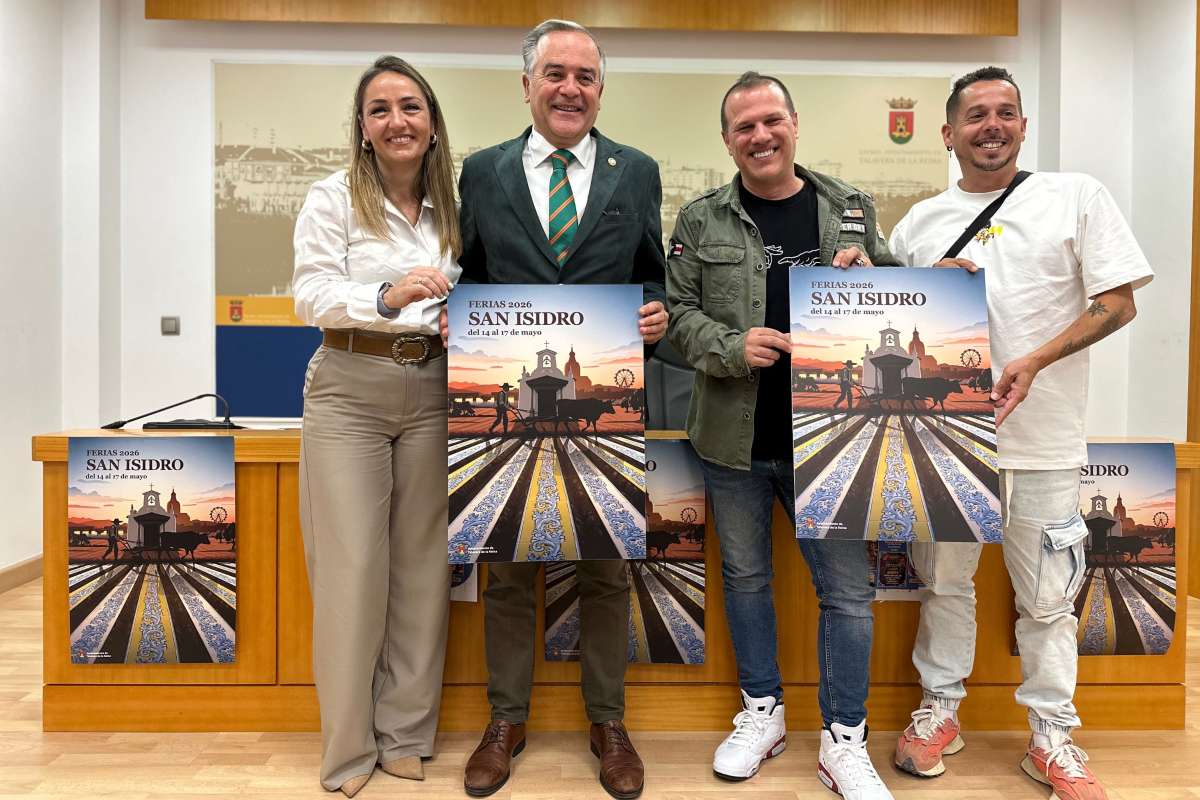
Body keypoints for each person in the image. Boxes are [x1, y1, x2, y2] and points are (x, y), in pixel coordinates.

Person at [888, 66, 1152, 800]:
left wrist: (1035, 360)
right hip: (946, 445)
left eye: (1006, 112)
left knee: (1046, 597)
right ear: (948, 133)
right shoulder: (917, 225)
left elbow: (1120, 302)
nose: (992, 126)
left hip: (1042, 439)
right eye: (976, 115)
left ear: (1024, 126)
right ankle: (940, 709)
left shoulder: (1074, 197)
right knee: (943, 584)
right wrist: (929, 288)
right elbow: (894, 318)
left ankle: (1052, 738)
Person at [665, 71, 898, 800]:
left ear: (794, 124)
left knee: (849, 594)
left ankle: (844, 739)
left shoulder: (848, 207)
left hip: (830, 440)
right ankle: (762, 710)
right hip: (733, 442)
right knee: (745, 581)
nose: (760, 136)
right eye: (744, 127)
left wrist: (876, 278)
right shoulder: (700, 218)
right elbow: (673, 318)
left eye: (771, 121)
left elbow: (898, 298)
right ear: (728, 140)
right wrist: (732, 346)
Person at [454, 19, 666, 800]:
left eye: (585, 75)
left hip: (598, 405)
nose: (570, 88)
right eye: (555, 74)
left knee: (606, 567)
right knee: (508, 568)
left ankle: (607, 722)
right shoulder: (481, 172)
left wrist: (654, 311)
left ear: (600, 89)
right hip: (512, 409)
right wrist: (457, 314)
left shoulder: (636, 171)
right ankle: (505, 721)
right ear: (527, 85)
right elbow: (468, 274)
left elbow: (653, 275)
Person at [292, 55, 461, 798]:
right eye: (380, 109)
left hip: (434, 387)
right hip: (349, 388)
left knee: (423, 572)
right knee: (351, 570)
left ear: (432, 124)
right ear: (362, 128)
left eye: (411, 107)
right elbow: (309, 294)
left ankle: (405, 736)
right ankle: (348, 748)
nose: (397, 121)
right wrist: (385, 298)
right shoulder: (332, 197)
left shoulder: (456, 204)